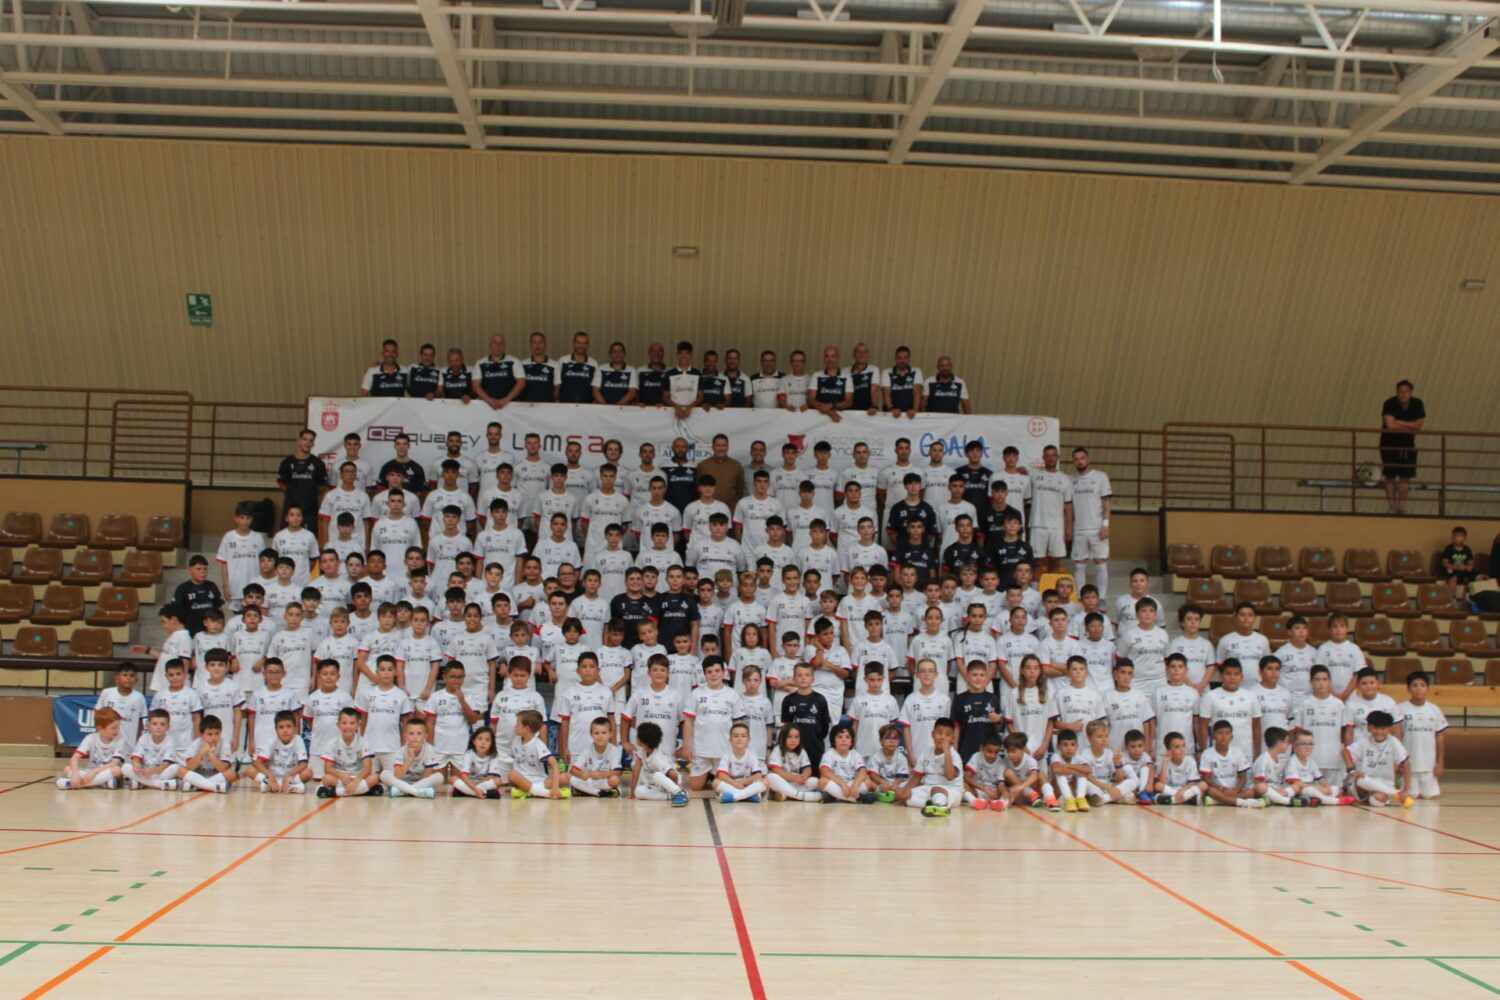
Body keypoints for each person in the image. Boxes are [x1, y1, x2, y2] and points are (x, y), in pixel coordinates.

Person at [1345, 710, 1413, 807]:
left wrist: (1406, 789)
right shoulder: (1364, 741)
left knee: (1376, 801)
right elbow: (1345, 752)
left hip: (1385, 783)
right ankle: (1394, 793)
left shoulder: (1393, 742)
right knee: (1360, 780)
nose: (1379, 732)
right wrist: (1352, 770)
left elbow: (1406, 763)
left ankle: (1385, 793)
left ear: (1390, 729)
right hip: (1366, 782)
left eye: (1383, 728)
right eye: (1375, 728)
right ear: (1369, 728)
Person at [1397, 671, 1447, 799]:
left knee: (1429, 796)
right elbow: (1397, 736)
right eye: (1415, 685)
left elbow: (1439, 736)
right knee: (1411, 795)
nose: (1418, 688)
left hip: (1429, 764)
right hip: (1409, 764)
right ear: (1408, 688)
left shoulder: (1434, 710)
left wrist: (1440, 762)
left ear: (1427, 688)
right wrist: (1398, 760)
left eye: (1422, 685)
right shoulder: (1400, 708)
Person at [1069, 448, 1112, 597]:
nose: (1080, 461)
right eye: (1076, 459)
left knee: (1100, 561)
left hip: (1097, 527)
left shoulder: (1100, 476)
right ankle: (1081, 597)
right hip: (1079, 528)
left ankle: (1102, 597)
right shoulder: (1070, 480)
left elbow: (1107, 504)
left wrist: (1105, 525)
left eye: (1082, 458)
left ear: (1088, 459)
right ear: (1073, 462)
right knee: (1079, 563)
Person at [1380, 379, 1425, 515]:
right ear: (1397, 392)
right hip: (1389, 444)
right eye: (1400, 391)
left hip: (1408, 445)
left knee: (1406, 476)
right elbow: (1390, 426)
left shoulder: (1417, 403)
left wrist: (1399, 422)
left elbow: (1419, 426)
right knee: (1389, 476)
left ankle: (1401, 507)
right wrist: (1409, 426)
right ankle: (1392, 506)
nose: (1403, 394)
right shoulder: (1390, 403)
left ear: (1411, 392)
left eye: (1406, 391)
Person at [57, 706, 128, 790]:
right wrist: (75, 775)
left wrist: (93, 773)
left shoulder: (120, 740)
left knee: (117, 770)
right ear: (100, 728)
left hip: (106, 771)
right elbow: (74, 758)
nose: (117, 730)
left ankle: (78, 784)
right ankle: (101, 783)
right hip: (91, 772)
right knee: (67, 769)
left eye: (118, 727)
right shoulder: (90, 738)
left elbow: (114, 763)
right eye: (113, 728)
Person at [1199, 719, 1264, 808]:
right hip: (1218, 789)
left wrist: (1235, 791)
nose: (1223, 736)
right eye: (1220, 733)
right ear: (1213, 736)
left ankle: (1219, 801)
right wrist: (1221, 788)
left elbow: (1243, 777)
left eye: (1227, 733)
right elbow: (1206, 778)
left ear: (1231, 737)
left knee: (1252, 792)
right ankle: (1243, 803)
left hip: (1234, 789)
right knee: (1210, 791)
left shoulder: (1237, 753)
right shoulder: (1207, 754)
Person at [317, 706, 379, 798]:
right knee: (326, 778)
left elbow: (367, 768)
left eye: (352, 723)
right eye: (344, 723)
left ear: (358, 724)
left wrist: (356, 781)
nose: (348, 726)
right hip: (340, 777)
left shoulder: (364, 742)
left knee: (375, 777)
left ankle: (338, 792)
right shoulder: (332, 743)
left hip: (358, 777)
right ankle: (362, 791)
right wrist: (341, 775)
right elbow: (327, 768)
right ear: (338, 725)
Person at [1029, 446, 1073, 575]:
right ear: (1043, 458)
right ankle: (1036, 587)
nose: (1050, 458)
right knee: (1037, 561)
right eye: (1047, 455)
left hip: (1056, 526)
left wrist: (1069, 526)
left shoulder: (1065, 479)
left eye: (1053, 455)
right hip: (1037, 524)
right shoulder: (1034, 474)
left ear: (1058, 457)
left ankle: (1053, 587)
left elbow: (1068, 505)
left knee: (1055, 560)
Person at [277, 429, 327, 530]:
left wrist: (308, 495)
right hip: (291, 510)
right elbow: (282, 485)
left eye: (310, 440)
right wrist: (294, 496)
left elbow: (321, 487)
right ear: (298, 440)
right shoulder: (287, 462)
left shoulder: (318, 463)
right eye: (305, 439)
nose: (307, 443)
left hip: (310, 512)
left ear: (313, 444)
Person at [630, 721, 689, 805]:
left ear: (644, 742)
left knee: (657, 775)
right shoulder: (642, 752)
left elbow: (673, 775)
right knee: (638, 792)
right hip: (658, 786)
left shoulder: (657, 758)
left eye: (638, 736)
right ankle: (670, 796)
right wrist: (632, 793)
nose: (636, 737)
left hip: (672, 783)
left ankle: (680, 793)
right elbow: (636, 772)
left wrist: (675, 789)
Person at [252, 709, 311, 794]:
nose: (285, 730)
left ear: (295, 728)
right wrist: (270, 775)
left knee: (308, 773)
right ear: (276, 729)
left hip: (290, 776)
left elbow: (304, 764)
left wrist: (288, 775)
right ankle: (289, 787)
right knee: (250, 770)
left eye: (289, 726)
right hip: (274, 776)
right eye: (281, 727)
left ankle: (271, 786)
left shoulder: (298, 740)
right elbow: (257, 762)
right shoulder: (272, 740)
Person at [383, 716, 443, 799]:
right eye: (411, 733)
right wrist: (410, 758)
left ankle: (403, 791)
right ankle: (416, 792)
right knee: (384, 774)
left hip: (421, 782)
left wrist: (419, 785)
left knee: (439, 776)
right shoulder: (400, 751)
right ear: (405, 737)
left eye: (419, 733)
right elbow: (398, 776)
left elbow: (426, 777)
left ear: (425, 737)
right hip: (403, 782)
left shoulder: (430, 750)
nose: (415, 737)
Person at [177, 716, 238, 793]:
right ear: (202, 734)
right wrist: (201, 752)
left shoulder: (224, 744)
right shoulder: (196, 744)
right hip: (198, 775)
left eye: (217, 733)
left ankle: (195, 786)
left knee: (232, 773)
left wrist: (211, 754)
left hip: (216, 776)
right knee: (181, 771)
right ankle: (213, 787)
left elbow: (223, 769)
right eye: (209, 734)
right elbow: (190, 767)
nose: (214, 737)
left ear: (221, 732)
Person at [568, 717, 624, 797]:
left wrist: (601, 775)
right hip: (589, 780)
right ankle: (599, 793)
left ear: (610, 734)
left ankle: (585, 791)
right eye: (596, 733)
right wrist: (581, 774)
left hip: (603, 781)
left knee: (615, 780)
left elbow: (618, 772)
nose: (600, 736)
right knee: (568, 777)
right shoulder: (587, 750)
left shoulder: (614, 750)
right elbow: (573, 770)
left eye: (604, 733)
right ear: (591, 734)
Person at [714, 722, 768, 804]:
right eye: (736, 736)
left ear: (749, 740)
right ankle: (748, 796)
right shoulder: (726, 756)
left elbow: (758, 775)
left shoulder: (752, 755)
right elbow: (721, 775)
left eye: (743, 736)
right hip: (731, 785)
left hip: (747, 785)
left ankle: (735, 796)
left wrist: (740, 783)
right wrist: (735, 784)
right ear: (730, 740)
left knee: (765, 782)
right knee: (715, 782)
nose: (739, 739)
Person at [471, 333, 523, 408]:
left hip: (510, 406)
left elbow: (521, 383)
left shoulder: (514, 361)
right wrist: (489, 400)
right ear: (490, 345)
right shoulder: (480, 363)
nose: (498, 345)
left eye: (501, 343)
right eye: (495, 342)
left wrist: (506, 400)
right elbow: (475, 386)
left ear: (505, 346)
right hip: (487, 406)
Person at [697, 434, 746, 512]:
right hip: (708, 510)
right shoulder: (703, 466)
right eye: (718, 445)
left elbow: (740, 490)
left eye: (723, 445)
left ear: (728, 447)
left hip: (731, 510)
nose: (721, 448)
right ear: (713, 447)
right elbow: (698, 490)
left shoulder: (736, 465)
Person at [809, 346, 852, 422]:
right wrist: (829, 412)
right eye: (827, 356)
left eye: (833, 356)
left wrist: (831, 405)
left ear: (838, 358)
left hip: (840, 418)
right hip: (819, 419)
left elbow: (849, 402)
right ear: (824, 358)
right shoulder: (816, 375)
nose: (829, 359)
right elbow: (811, 400)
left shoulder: (846, 376)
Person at [881, 345, 923, 418]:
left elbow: (917, 392)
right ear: (895, 358)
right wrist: (891, 409)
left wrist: (915, 410)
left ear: (909, 358)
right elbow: (886, 393)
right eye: (899, 358)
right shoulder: (887, 372)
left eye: (905, 358)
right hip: (891, 414)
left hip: (910, 415)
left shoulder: (916, 371)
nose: (902, 361)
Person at [557, 331, 599, 404]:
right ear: (573, 343)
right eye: (578, 343)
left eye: (584, 343)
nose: (581, 346)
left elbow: (595, 388)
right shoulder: (562, 361)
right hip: (565, 405)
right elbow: (556, 384)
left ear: (588, 345)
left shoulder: (594, 364)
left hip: (587, 406)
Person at [664, 341, 703, 419]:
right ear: (677, 354)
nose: (683, 356)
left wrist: (690, 407)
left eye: (686, 353)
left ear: (691, 355)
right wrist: (676, 407)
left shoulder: (697, 373)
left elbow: (701, 397)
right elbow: (665, 396)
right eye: (681, 353)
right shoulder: (670, 374)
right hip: (673, 413)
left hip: (693, 413)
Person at [592, 340, 638, 405]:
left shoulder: (632, 370)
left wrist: (616, 407)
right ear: (610, 354)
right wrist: (606, 406)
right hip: (603, 408)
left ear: (624, 354)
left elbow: (632, 392)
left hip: (624, 409)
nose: (617, 354)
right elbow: (595, 391)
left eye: (620, 351)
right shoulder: (600, 369)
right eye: (614, 351)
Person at [519, 332, 558, 402]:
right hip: (526, 406)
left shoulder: (555, 365)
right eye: (534, 342)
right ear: (531, 345)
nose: (537, 345)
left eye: (540, 342)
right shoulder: (522, 364)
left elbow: (557, 389)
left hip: (547, 406)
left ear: (545, 344)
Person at [1441, 526, 1476, 593]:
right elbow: (1445, 564)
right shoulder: (1448, 549)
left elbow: (1471, 563)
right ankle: (1452, 597)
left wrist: (1468, 567)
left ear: (1465, 538)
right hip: (1452, 570)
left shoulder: (1467, 549)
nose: (1457, 538)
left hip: (1464, 570)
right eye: (1455, 536)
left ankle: (1471, 597)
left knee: (1476, 576)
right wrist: (1458, 568)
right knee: (1453, 577)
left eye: (1460, 536)